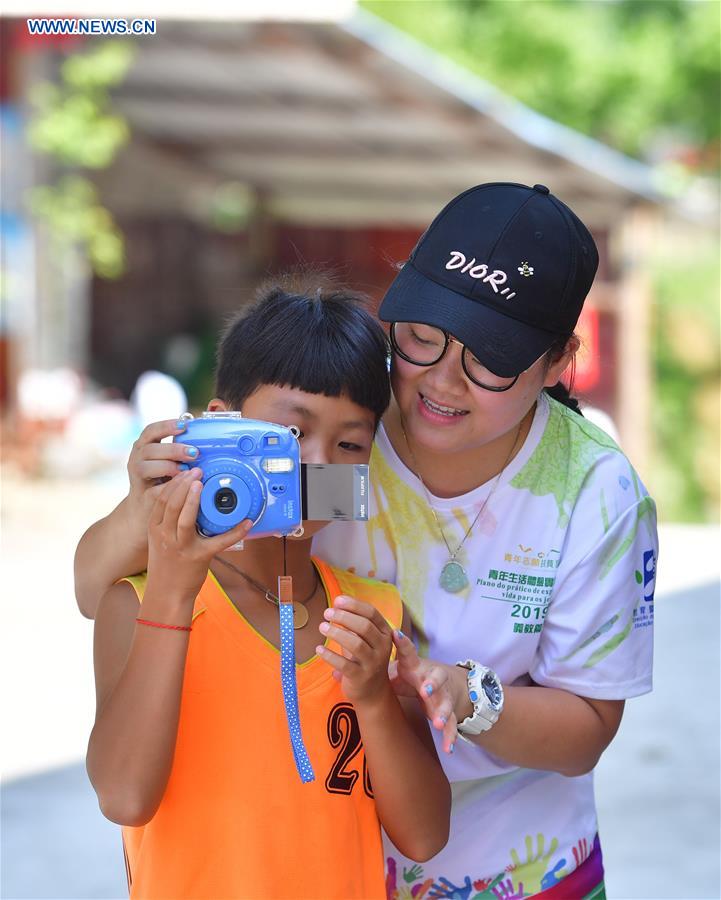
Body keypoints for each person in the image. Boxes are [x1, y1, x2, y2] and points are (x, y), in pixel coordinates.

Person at [76, 183, 657, 900]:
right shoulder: (342, 416)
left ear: (556, 361)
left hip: (515, 868)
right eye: (421, 337)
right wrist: (152, 503)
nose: (442, 380)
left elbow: (586, 726)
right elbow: (103, 592)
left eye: (492, 360)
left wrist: (448, 691)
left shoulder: (593, 494)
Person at [84, 277, 451, 900]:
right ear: (219, 431)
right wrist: (172, 596)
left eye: (351, 444)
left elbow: (424, 836)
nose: (320, 465)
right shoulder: (141, 601)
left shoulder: (373, 620)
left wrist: (373, 699)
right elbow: (123, 797)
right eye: (288, 437)